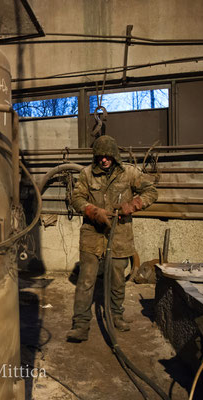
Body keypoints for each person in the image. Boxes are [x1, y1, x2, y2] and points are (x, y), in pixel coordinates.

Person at [67, 135, 158, 342]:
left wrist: (132, 205)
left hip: (120, 235)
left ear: (114, 156)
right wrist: (91, 210)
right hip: (92, 235)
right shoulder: (87, 174)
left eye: (108, 156)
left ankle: (116, 315)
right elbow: (76, 198)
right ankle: (80, 324)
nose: (104, 160)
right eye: (100, 156)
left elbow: (151, 192)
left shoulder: (130, 173)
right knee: (86, 281)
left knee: (117, 280)